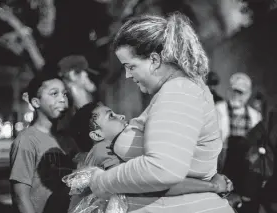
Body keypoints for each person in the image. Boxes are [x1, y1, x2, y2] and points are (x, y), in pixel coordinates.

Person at [86, 13, 234, 213]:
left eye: (131, 67)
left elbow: (162, 169)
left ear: (154, 60)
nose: (128, 76)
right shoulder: (175, 91)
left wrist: (102, 181)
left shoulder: (178, 92)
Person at [9, 73, 75, 213]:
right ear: (36, 102)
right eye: (54, 94)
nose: (62, 99)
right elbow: (20, 197)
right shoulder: (27, 140)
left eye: (64, 94)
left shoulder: (68, 140)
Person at [215, 72, 262, 190]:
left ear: (248, 94)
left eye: (240, 92)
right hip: (222, 165)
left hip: (245, 170)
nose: (236, 95)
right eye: (234, 91)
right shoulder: (217, 109)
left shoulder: (255, 116)